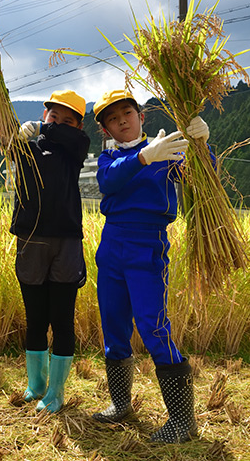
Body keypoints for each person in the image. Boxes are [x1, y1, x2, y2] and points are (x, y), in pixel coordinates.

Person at [90, 89, 210, 443]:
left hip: (147, 243)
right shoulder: (108, 159)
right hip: (112, 244)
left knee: (152, 326)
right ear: (106, 129)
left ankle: (182, 422)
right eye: (112, 119)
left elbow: (204, 177)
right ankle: (120, 403)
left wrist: (202, 145)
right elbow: (108, 183)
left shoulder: (168, 149)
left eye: (127, 113)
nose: (121, 121)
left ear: (141, 116)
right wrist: (143, 157)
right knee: (113, 325)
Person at [0, 44, 91, 414]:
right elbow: (2, 125)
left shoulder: (74, 147)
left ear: (78, 124)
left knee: (61, 319)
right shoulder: (25, 145)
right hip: (31, 239)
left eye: (67, 119)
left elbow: (71, 139)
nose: (57, 122)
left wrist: (44, 128)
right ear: (44, 110)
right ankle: (37, 385)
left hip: (65, 243)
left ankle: (57, 394)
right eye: (52, 114)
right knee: (35, 319)